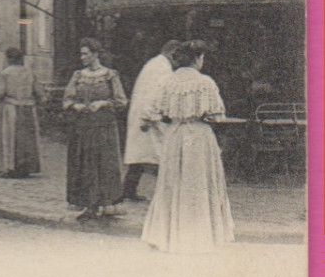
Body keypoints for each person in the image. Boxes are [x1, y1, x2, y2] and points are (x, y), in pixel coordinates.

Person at [141, 40, 236, 254]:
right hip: (199, 136)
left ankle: (168, 234)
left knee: (173, 181)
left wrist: (172, 117)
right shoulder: (205, 83)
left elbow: (152, 111)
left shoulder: (167, 82)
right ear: (197, 59)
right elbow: (216, 115)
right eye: (202, 57)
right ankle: (198, 235)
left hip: (175, 135)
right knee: (199, 181)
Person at [63, 37, 128, 222]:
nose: (81, 57)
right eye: (81, 54)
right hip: (83, 127)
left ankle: (105, 203)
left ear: (95, 54)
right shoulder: (78, 76)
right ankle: (89, 205)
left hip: (104, 127)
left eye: (85, 54)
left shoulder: (110, 75)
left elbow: (121, 101)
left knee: (104, 164)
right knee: (85, 164)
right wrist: (75, 106)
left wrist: (102, 103)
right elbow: (67, 99)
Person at [121, 39, 180, 202]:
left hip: (142, 113)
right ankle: (167, 193)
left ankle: (128, 189)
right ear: (173, 53)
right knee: (164, 154)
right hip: (147, 117)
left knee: (140, 156)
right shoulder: (163, 69)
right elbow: (155, 94)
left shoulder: (154, 64)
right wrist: (150, 116)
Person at [0, 47, 41, 178]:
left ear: (9, 58)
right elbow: (39, 91)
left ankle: (12, 167)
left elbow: (0, 92)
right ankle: (26, 166)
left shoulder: (5, 74)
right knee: (27, 139)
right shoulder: (30, 72)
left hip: (12, 108)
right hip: (28, 109)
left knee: (11, 137)